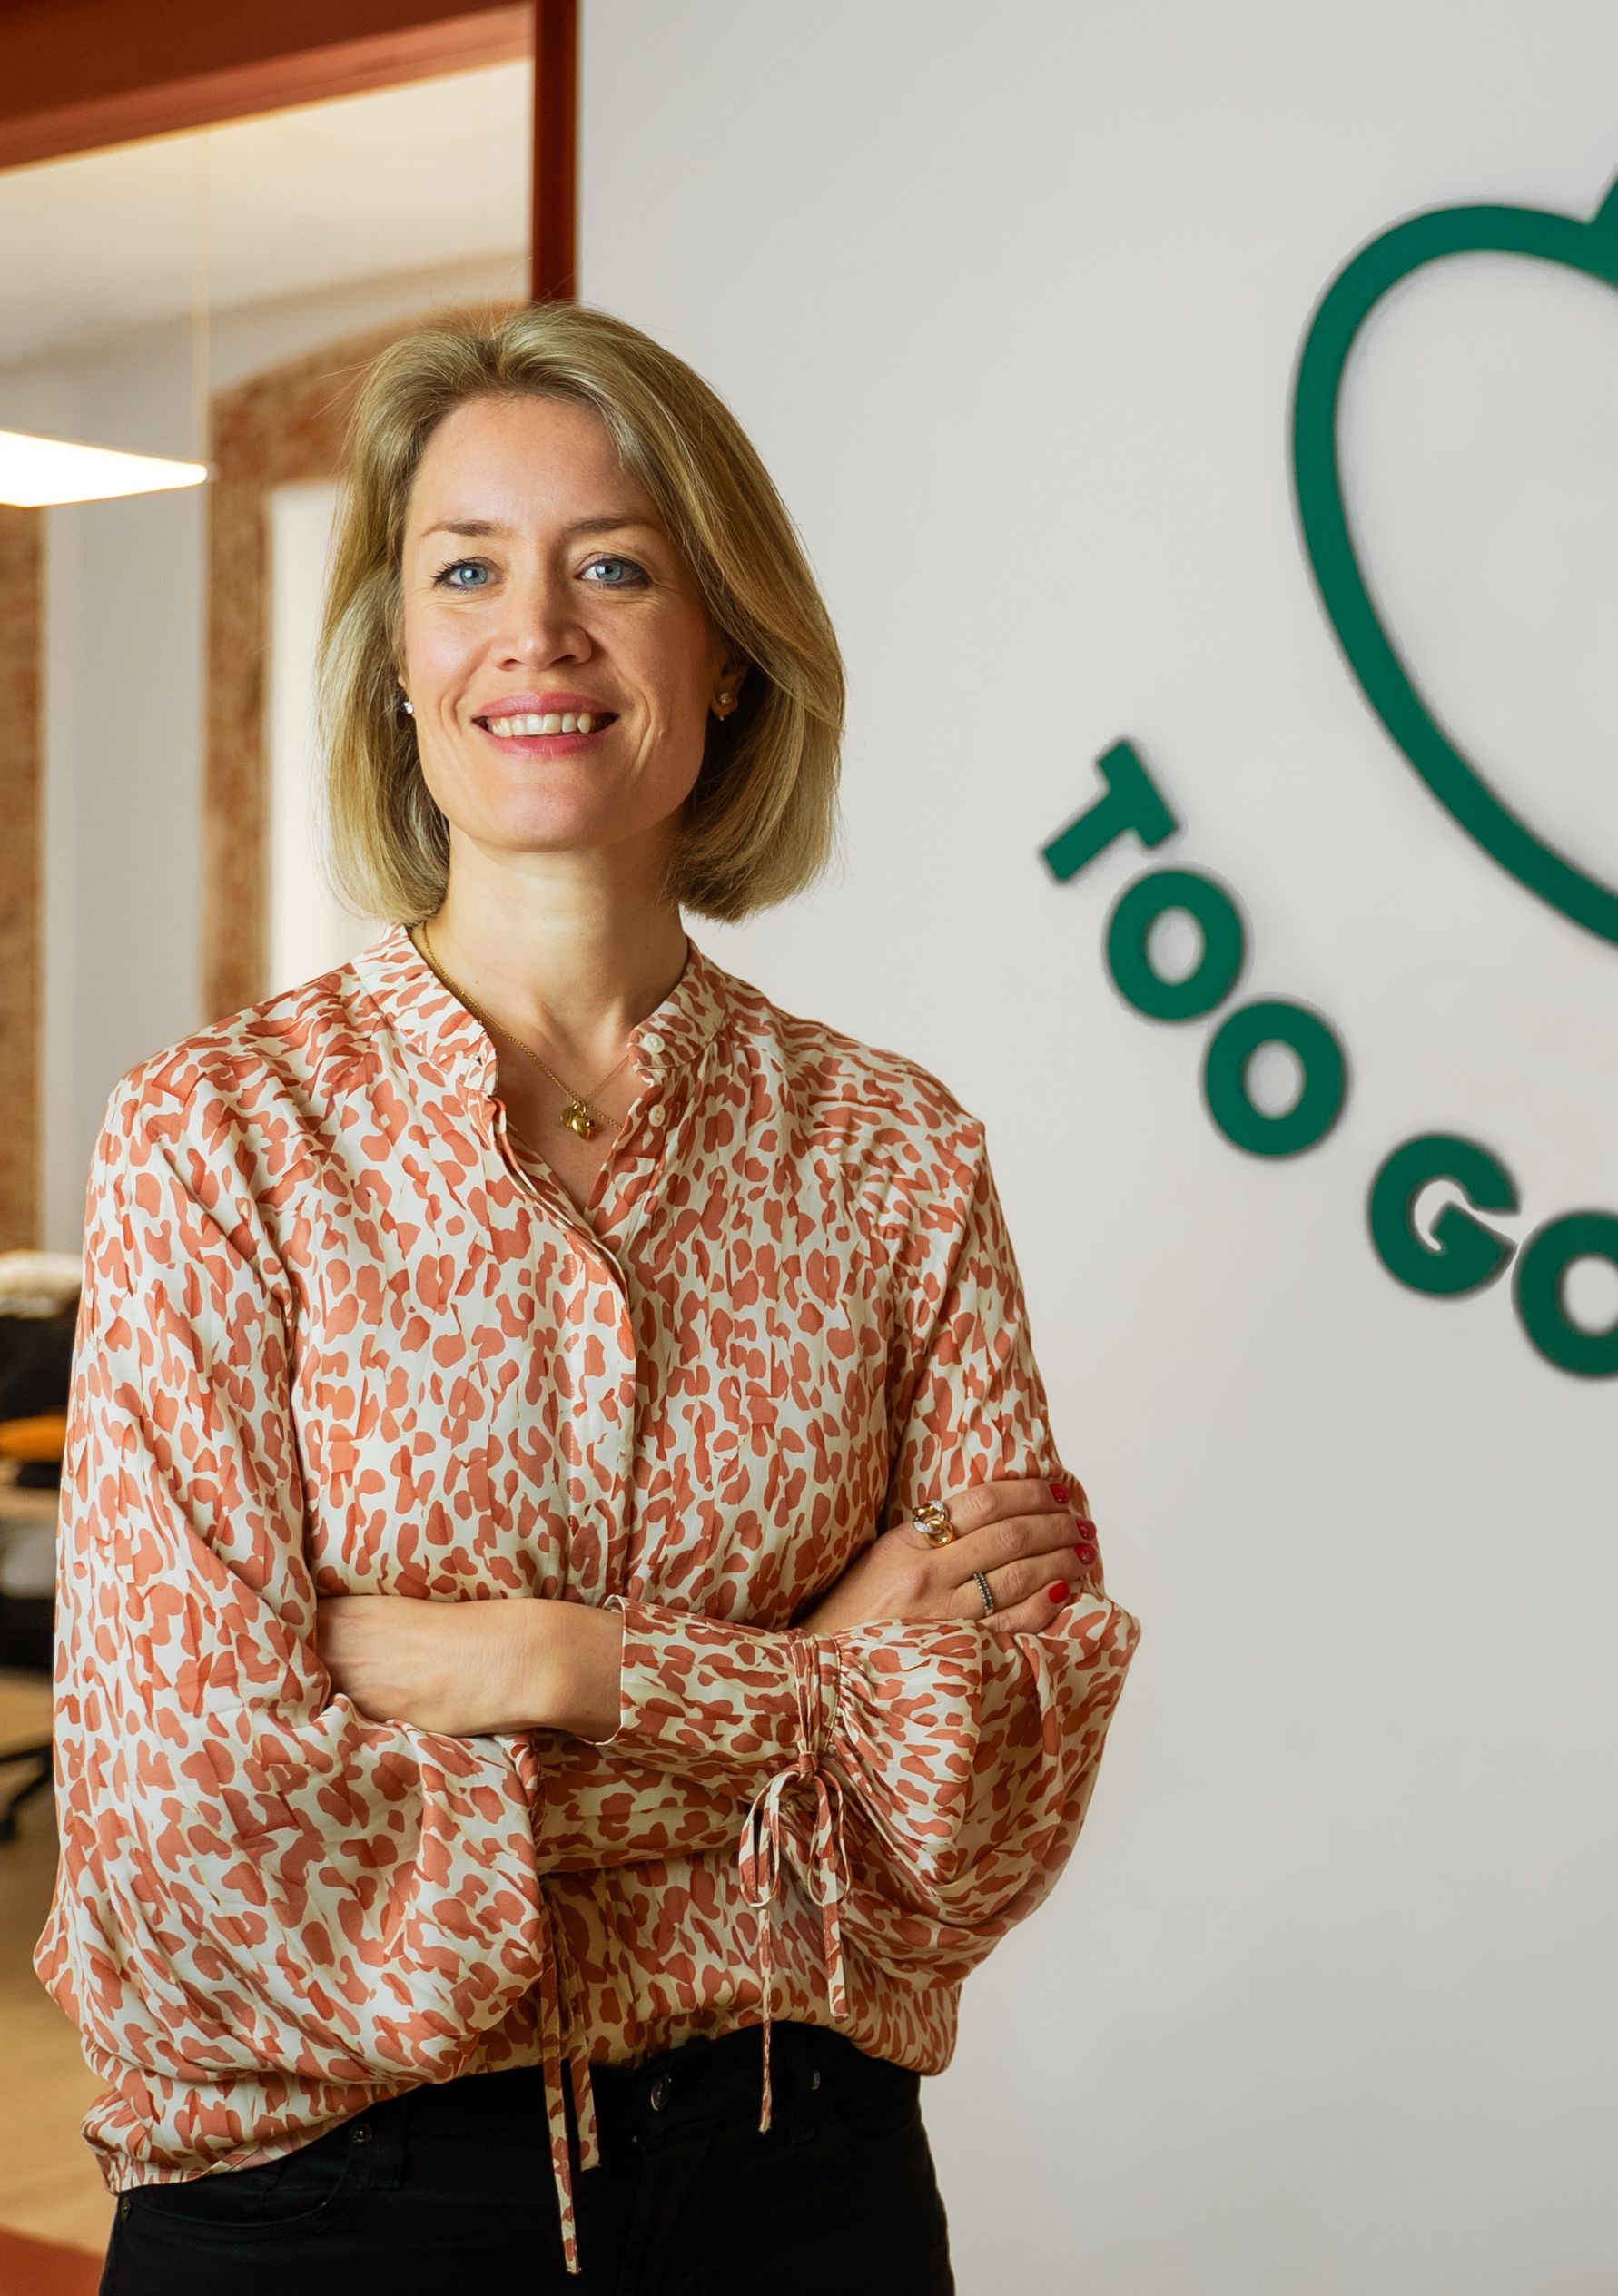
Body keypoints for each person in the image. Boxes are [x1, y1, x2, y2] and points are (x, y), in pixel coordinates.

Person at [43, 302, 1139, 2291]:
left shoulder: (898, 1156)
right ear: (396, 660)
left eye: (613, 565)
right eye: (465, 568)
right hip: (327, 2209)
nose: (534, 631)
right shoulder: (217, 1143)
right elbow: (194, 1846)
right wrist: (804, 1684)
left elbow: (978, 1796)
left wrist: (532, 1659)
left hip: (798, 2192)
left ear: (721, 650)